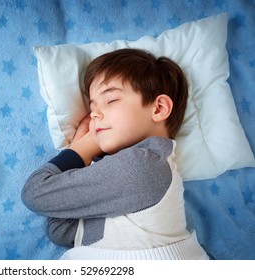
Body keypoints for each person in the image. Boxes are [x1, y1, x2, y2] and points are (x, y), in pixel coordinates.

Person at [21, 48, 209, 260]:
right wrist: (82, 150)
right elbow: (60, 228)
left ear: (158, 108)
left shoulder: (142, 166)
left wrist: (84, 146)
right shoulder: (118, 174)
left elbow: (35, 194)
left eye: (110, 100)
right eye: (92, 107)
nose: (95, 114)